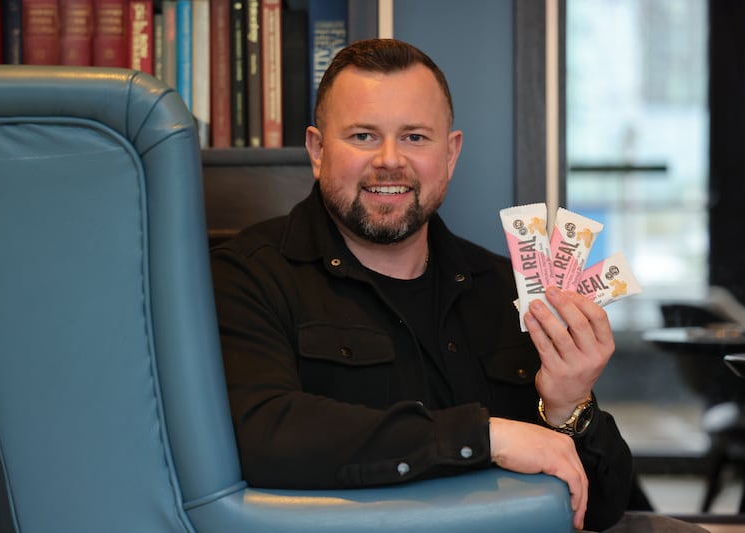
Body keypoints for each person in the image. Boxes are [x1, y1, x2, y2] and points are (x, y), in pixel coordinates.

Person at [210, 38, 705, 532]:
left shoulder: (508, 290)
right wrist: (484, 437)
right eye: (362, 136)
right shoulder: (248, 275)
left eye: (415, 137)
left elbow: (601, 509)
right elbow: (263, 435)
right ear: (318, 151)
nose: (389, 160)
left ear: (450, 154)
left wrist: (568, 406)